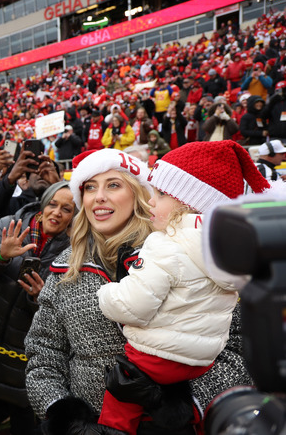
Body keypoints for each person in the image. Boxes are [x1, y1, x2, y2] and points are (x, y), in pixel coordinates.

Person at [24, 148, 252, 435]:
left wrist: (175, 403)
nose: (99, 197)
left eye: (113, 185)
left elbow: (240, 349)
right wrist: (64, 418)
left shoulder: (191, 254)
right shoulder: (63, 268)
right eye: (90, 187)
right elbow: (43, 354)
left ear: (140, 193)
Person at [96, 141, 272, 434]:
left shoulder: (164, 244)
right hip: (201, 361)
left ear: (188, 203)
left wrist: (107, 294)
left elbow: (134, 307)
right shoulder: (228, 250)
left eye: (161, 194)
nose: (151, 201)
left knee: (116, 410)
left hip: (152, 359)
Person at [0, 181, 75, 434]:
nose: (56, 212)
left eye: (67, 209)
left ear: (74, 216)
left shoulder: (75, 249)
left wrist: (41, 297)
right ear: (43, 205)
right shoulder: (11, 223)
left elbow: (66, 308)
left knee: (22, 404)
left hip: (24, 344)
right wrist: (1, 255)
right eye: (53, 204)